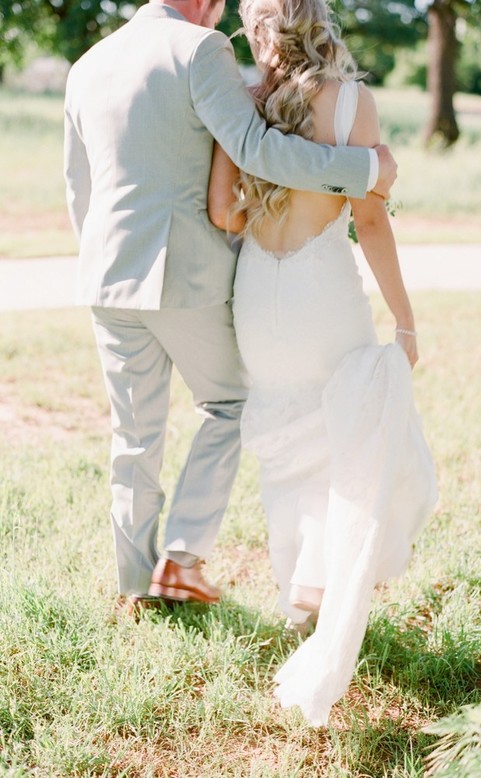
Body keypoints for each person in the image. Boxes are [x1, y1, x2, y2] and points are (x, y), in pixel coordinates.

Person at [63, 0, 398, 615]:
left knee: (132, 437)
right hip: (183, 275)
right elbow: (258, 150)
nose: (222, 18)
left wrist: (103, 261)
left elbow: (77, 187)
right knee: (228, 405)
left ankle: (136, 585)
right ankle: (182, 558)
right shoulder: (198, 48)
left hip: (106, 276)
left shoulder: (87, 64)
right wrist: (364, 167)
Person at [208, 0, 438, 724]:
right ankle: (319, 577)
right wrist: (404, 317)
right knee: (344, 435)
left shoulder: (244, 104)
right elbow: (369, 217)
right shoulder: (351, 103)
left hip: (258, 295)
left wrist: (262, 205)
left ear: (261, 29)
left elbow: (223, 212)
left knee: (285, 439)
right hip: (323, 292)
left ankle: (301, 586)